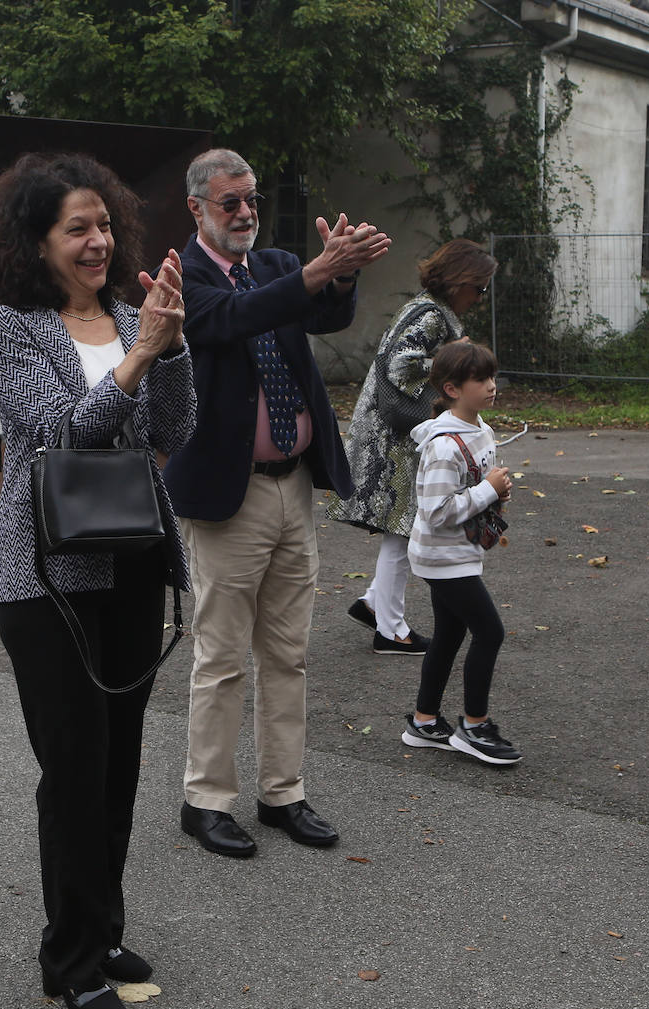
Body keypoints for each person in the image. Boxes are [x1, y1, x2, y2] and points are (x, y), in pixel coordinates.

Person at [0, 152, 195, 1009]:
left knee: (118, 760)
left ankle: (102, 926)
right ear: (37, 240)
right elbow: (63, 431)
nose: (98, 240)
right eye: (78, 227)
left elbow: (175, 429)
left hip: (133, 560)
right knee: (72, 766)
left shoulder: (137, 316)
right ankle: (68, 958)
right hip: (48, 577)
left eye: (105, 224)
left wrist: (167, 346)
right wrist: (139, 356)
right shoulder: (8, 326)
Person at [164, 148, 387, 858]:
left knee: (287, 653)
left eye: (251, 198)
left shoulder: (281, 265)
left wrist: (340, 269)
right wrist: (314, 274)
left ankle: (282, 791)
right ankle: (206, 800)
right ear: (196, 208)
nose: (245, 213)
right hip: (229, 497)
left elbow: (324, 315)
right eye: (229, 202)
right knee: (222, 655)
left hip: (294, 482)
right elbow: (228, 320)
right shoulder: (185, 275)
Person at [327, 238, 498, 655]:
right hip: (398, 439)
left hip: (396, 434)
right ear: (460, 281)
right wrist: (453, 357)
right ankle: (390, 630)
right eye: (479, 288)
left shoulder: (428, 310)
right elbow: (402, 364)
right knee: (406, 531)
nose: (480, 297)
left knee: (402, 529)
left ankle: (375, 605)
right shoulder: (430, 316)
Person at [402, 340, 520, 764]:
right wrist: (488, 489)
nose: (491, 386)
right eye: (481, 380)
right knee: (490, 632)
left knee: (450, 635)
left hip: (458, 553)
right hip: (443, 557)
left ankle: (424, 720)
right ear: (452, 388)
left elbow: (472, 489)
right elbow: (435, 512)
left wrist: (492, 492)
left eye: (492, 377)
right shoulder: (444, 445)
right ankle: (474, 726)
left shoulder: (480, 428)